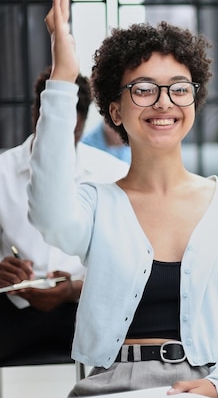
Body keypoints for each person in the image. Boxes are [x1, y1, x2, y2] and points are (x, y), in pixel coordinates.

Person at [29, 0, 218, 397]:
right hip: (115, 386)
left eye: (179, 88)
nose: (164, 102)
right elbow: (47, 212)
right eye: (144, 89)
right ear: (116, 110)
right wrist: (62, 76)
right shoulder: (95, 204)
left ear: (193, 103)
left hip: (211, 383)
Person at [0, 66, 128, 361]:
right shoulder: (3, 172)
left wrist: (74, 289)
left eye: (70, 133)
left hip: (86, 312)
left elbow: (125, 265)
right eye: (49, 128)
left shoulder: (113, 175)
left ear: (83, 125)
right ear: (35, 114)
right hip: (12, 313)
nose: (56, 143)